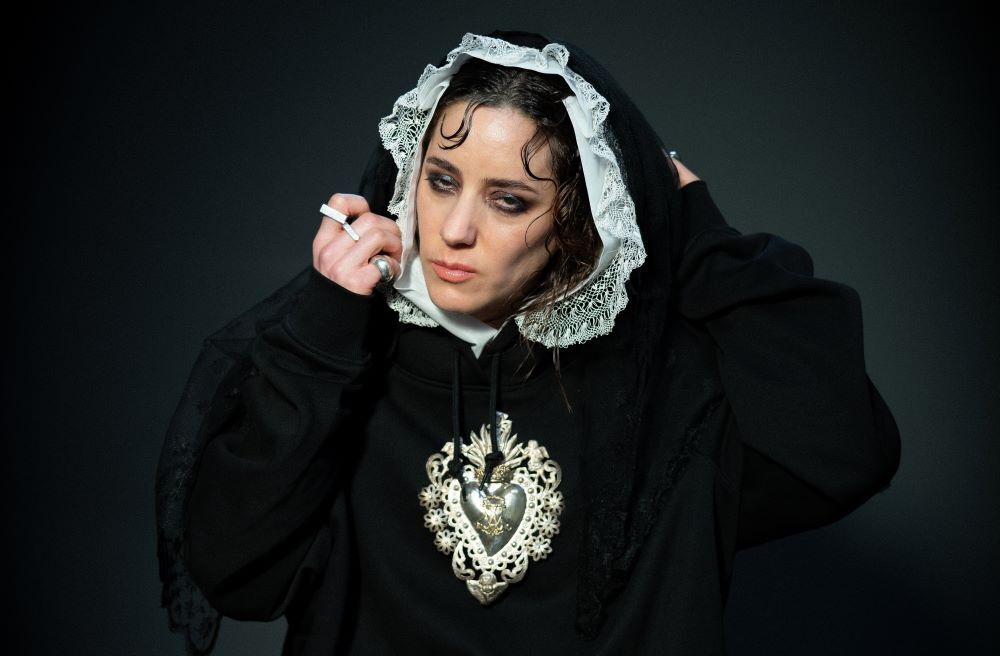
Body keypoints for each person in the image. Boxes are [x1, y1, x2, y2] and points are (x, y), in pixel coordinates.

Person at [156, 30, 902, 655]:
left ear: (578, 218)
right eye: (441, 180)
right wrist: (324, 331)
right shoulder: (343, 363)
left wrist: (695, 229)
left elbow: (845, 456)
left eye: (508, 200)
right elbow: (238, 577)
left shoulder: (663, 393)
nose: (455, 230)